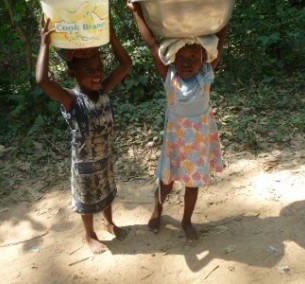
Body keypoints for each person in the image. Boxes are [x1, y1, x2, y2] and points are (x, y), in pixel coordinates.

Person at [127, 1, 228, 241]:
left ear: (203, 58)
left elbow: (220, 43)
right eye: (181, 57)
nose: (186, 62)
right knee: (167, 182)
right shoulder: (169, 75)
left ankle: (186, 220)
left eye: (192, 57)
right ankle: (157, 211)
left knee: (192, 185)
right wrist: (137, 12)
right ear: (172, 59)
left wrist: (225, 14)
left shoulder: (206, 74)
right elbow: (152, 43)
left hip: (198, 143)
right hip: (175, 142)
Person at [36, 14, 132, 254]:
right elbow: (42, 81)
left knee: (108, 191)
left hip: (106, 157)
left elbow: (125, 65)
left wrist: (109, 35)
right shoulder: (71, 99)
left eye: (99, 67)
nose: (97, 73)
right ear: (72, 73)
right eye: (89, 69)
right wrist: (44, 45)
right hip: (84, 165)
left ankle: (109, 222)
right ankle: (89, 235)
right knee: (87, 199)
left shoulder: (103, 90)